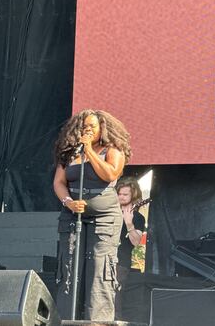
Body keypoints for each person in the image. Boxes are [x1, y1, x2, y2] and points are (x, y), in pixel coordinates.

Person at [53, 109, 131, 321]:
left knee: (99, 270)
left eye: (92, 127)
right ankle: (67, 320)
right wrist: (68, 202)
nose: (87, 130)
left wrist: (89, 151)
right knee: (69, 269)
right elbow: (59, 182)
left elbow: (110, 174)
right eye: (83, 127)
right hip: (72, 215)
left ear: (102, 129)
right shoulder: (69, 153)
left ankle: (97, 322)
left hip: (104, 218)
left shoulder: (112, 149)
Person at [114, 177, 146, 320]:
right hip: (103, 256)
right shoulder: (110, 213)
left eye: (125, 194)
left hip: (121, 261)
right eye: (119, 194)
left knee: (116, 296)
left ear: (133, 195)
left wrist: (129, 223)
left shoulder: (138, 217)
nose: (121, 197)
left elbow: (136, 242)